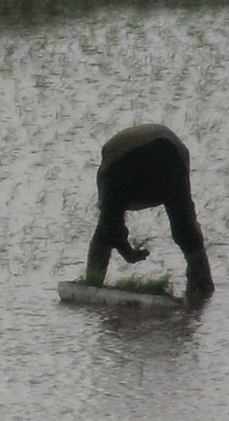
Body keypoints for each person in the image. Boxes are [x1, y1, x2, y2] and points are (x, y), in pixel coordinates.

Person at [85, 123, 213, 301]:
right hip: (170, 153)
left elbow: (110, 225)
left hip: (133, 158)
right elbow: (187, 218)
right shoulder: (110, 173)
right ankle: (203, 286)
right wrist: (127, 251)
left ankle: (92, 284)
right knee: (185, 227)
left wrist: (127, 252)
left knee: (105, 230)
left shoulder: (109, 177)